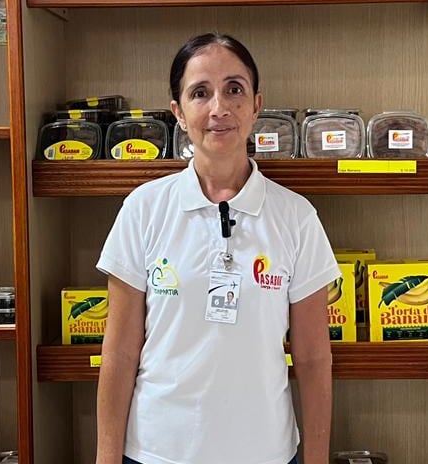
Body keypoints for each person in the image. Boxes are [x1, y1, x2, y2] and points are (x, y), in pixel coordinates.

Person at [96, 33, 340, 464]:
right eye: (200, 93)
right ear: (178, 111)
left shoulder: (296, 217)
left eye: (234, 89)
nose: (218, 108)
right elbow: (118, 353)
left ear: (256, 105)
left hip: (266, 452)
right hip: (156, 452)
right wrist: (106, 459)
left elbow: (314, 358)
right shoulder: (143, 209)